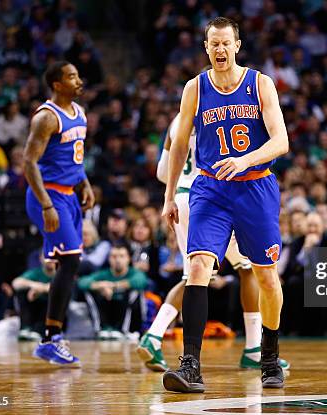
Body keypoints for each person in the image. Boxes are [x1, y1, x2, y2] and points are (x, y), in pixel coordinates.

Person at [161, 17, 289, 392]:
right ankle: (190, 367)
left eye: (225, 43)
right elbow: (180, 145)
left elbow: (281, 141)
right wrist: (170, 196)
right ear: (206, 47)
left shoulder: (259, 83)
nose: (219, 49)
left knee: (266, 276)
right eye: (213, 43)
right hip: (210, 189)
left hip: (255, 186)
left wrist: (246, 159)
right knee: (198, 267)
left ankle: (268, 356)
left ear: (237, 45)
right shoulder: (194, 88)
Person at [137, 111, 290, 372]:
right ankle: (253, 348)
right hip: (209, 200)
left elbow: (163, 171)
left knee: (196, 275)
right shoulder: (219, 116)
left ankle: (154, 335)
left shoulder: (176, 120)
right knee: (244, 270)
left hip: (182, 197)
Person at [23, 61, 95, 366]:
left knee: (68, 262)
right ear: (56, 84)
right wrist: (46, 205)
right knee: (71, 261)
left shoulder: (80, 113)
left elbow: (73, 160)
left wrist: (85, 183)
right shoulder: (46, 117)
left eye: (78, 75)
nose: (78, 81)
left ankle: (52, 336)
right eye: (71, 77)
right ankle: (51, 338)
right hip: (48, 195)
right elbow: (28, 162)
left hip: (69, 195)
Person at [78, 244, 150, 339]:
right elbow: (82, 282)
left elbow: (141, 281)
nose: (118, 260)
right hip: (107, 308)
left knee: (135, 292)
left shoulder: (134, 273)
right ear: (109, 259)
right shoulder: (104, 273)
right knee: (88, 291)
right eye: (114, 256)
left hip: (129, 313)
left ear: (128, 259)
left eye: (121, 256)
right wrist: (101, 286)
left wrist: (113, 286)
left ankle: (125, 330)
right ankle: (100, 329)